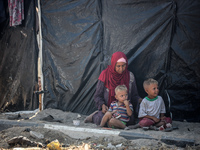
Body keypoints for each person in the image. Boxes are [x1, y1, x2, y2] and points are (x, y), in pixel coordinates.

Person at [84, 51, 141, 126]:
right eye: (118, 66)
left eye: (123, 66)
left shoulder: (130, 77)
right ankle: (95, 116)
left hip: (124, 110)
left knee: (131, 121)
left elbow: (134, 95)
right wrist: (102, 105)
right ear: (114, 64)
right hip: (109, 110)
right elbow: (98, 95)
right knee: (101, 119)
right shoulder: (105, 75)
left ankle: (114, 123)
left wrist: (139, 100)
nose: (121, 69)